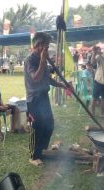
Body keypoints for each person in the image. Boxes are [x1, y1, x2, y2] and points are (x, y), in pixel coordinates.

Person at [24, 32, 67, 166]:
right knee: (37, 127)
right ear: (39, 46)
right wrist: (43, 60)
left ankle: (41, 150)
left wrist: (64, 85)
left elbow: (48, 79)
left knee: (49, 125)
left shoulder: (44, 59)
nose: (47, 49)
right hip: (34, 99)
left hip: (43, 97)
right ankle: (33, 156)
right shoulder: (30, 60)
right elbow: (35, 78)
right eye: (46, 46)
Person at [90, 46, 104, 117]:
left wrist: (95, 52)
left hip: (100, 81)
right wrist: (94, 52)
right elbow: (92, 62)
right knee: (94, 97)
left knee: (101, 98)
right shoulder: (99, 57)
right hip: (98, 81)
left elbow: (92, 62)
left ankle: (101, 113)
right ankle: (92, 113)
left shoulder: (100, 56)